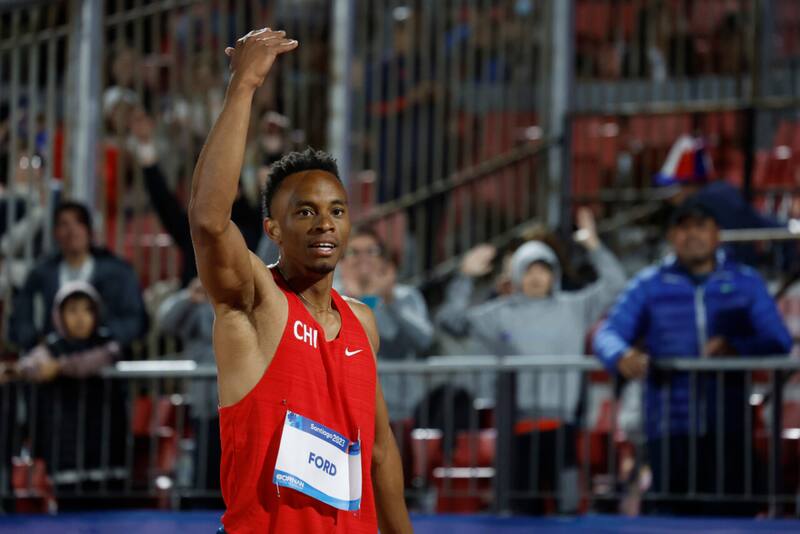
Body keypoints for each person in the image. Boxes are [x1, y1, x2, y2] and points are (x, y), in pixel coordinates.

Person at [188, 29, 411, 533]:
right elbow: (206, 219)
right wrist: (242, 88)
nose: (325, 223)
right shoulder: (255, 301)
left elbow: (378, 453)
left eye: (337, 211)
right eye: (305, 212)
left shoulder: (361, 321)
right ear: (273, 229)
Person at [593, 197, 793, 515]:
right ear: (672, 237)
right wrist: (620, 355)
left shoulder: (745, 282)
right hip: (668, 427)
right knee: (671, 520)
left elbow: (778, 340)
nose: (692, 235)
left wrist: (736, 347)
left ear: (717, 234)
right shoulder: (649, 284)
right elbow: (608, 333)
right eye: (683, 227)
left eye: (701, 226)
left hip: (728, 425)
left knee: (729, 521)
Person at [436, 208, 627, 513]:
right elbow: (451, 321)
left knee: (568, 509)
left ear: (554, 273)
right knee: (521, 509)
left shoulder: (575, 307)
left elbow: (616, 287)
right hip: (517, 430)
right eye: (528, 269)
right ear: (515, 275)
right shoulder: (500, 313)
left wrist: (594, 245)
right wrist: (464, 277)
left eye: (543, 269)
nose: (536, 277)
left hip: (563, 427)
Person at [15, 281, 127, 502]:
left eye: (87, 310)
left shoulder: (107, 342)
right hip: (64, 447)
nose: (80, 317)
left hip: (106, 444)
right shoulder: (51, 345)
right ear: (59, 315)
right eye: (72, 310)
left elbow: (97, 360)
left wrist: (58, 367)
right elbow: (30, 364)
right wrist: (36, 368)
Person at [9, 201, 148, 352]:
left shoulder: (119, 272)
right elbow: (21, 320)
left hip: (105, 363)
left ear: (89, 231)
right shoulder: (40, 274)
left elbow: (135, 320)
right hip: (52, 364)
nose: (72, 231)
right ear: (55, 232)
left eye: (79, 223)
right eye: (64, 224)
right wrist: (39, 345)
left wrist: (104, 340)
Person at [156, 277, 220, 499]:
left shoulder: (247, 296)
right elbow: (165, 322)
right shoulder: (199, 301)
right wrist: (189, 297)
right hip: (205, 404)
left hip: (241, 403)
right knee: (204, 472)